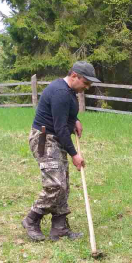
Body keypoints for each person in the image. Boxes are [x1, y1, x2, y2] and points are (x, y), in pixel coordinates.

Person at [21, 61, 100, 242]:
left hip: (55, 138)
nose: (86, 87)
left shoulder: (69, 91)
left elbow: (65, 115)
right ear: (74, 76)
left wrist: (76, 120)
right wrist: (74, 154)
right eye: (85, 83)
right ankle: (31, 219)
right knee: (55, 185)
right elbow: (60, 127)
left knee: (63, 183)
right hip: (45, 139)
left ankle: (59, 228)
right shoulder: (61, 92)